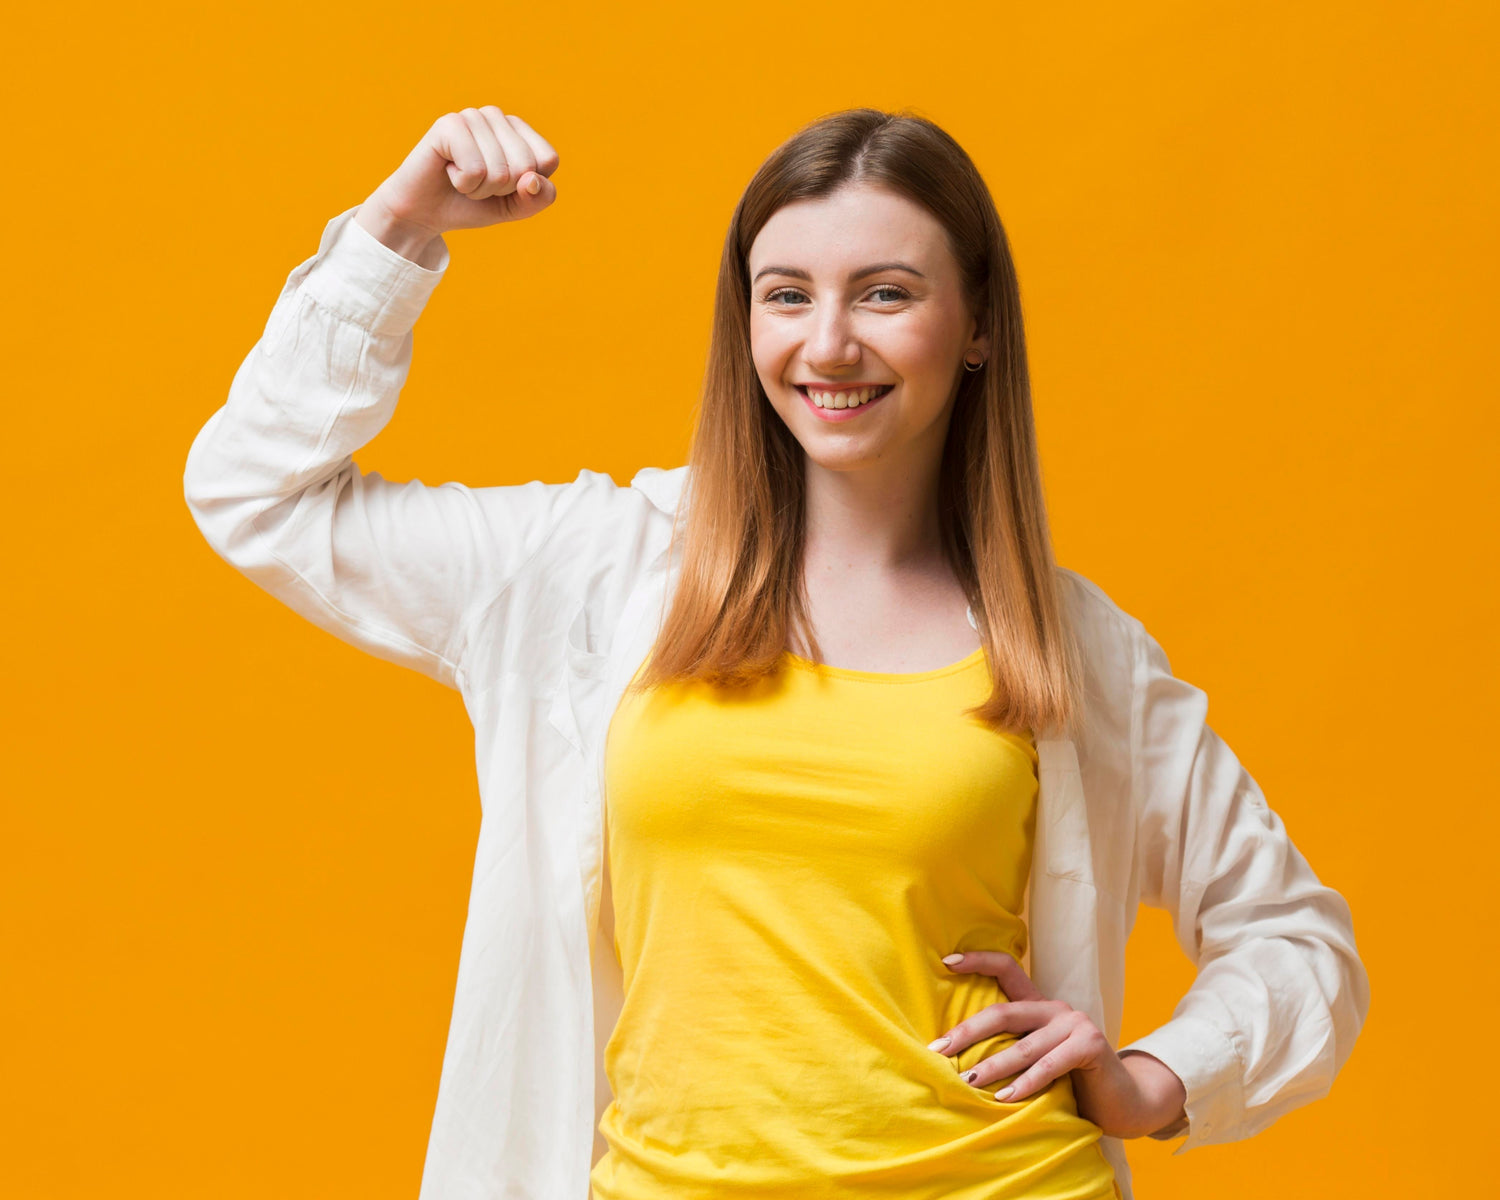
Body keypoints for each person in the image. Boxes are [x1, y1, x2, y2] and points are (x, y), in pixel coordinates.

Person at [183, 104, 1369, 1200]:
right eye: (786, 294)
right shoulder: (589, 572)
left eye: (886, 293)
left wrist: (1157, 1078)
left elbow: (1295, 939)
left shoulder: (1071, 646)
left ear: (977, 327)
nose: (830, 344)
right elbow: (258, 497)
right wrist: (399, 229)